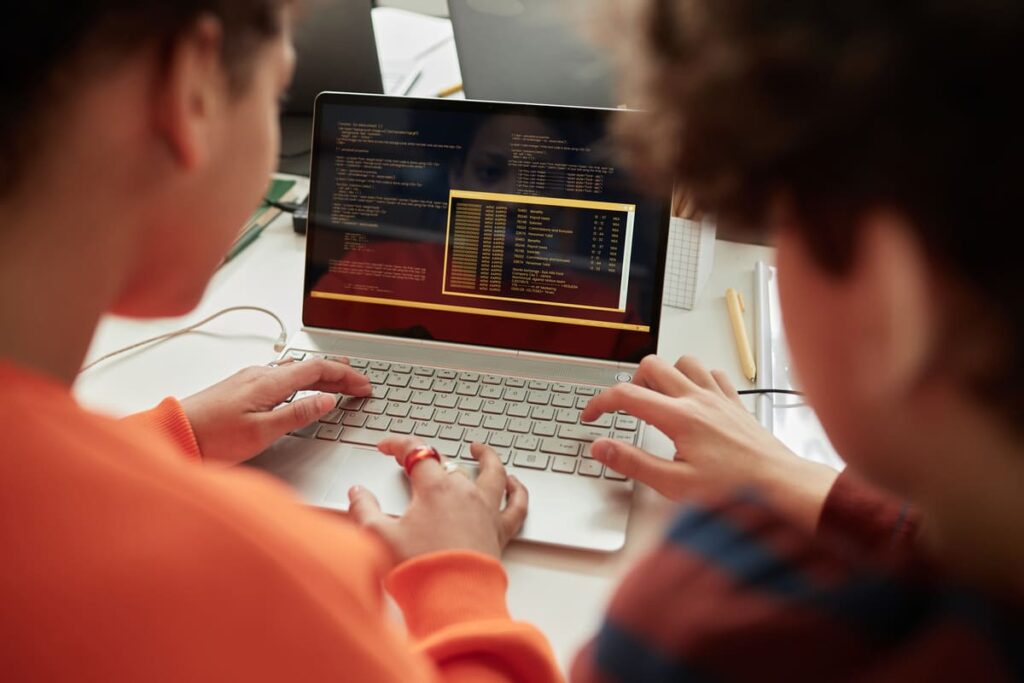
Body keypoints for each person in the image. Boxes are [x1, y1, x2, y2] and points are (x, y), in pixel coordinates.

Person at [0, 2, 561, 680]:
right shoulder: (257, 573)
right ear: (194, 88)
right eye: (278, 91)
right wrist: (458, 580)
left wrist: (171, 438)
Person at [562, 0, 1024, 680]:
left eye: (781, 226)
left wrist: (457, 584)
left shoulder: (707, 631)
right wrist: (795, 479)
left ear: (889, 299)